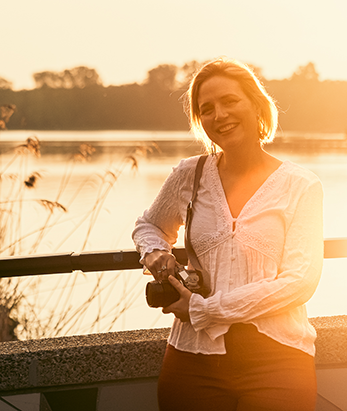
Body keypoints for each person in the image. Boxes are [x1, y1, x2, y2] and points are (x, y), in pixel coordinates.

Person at [132, 58, 323, 410]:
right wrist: (155, 251)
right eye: (207, 109)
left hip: (277, 361)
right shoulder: (189, 175)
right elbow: (149, 225)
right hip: (192, 358)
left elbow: (300, 281)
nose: (219, 115)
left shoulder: (301, 186)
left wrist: (205, 309)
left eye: (230, 101)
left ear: (256, 105)